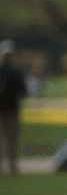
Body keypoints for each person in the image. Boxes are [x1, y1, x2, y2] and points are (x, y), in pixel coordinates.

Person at [0, 41, 28, 174]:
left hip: (8, 110)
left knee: (7, 138)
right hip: (12, 109)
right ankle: (12, 164)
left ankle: (10, 164)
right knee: (12, 138)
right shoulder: (17, 73)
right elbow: (23, 92)